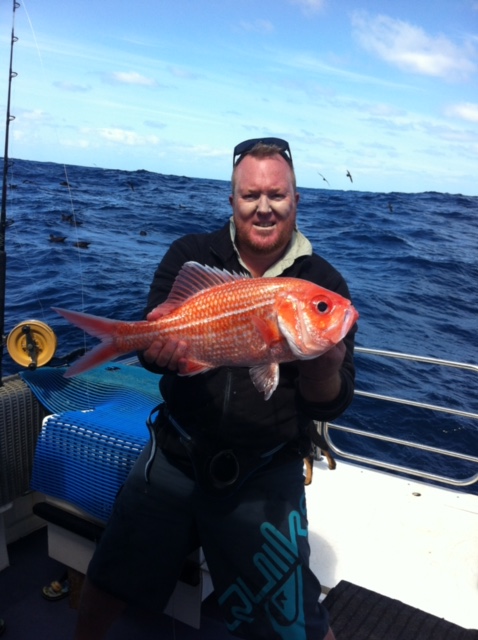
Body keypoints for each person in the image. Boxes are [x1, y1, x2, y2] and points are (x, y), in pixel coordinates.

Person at [74, 137, 357, 640]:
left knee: (295, 620)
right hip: (176, 451)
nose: (264, 207)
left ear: (296, 201)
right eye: (251, 195)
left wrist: (319, 367)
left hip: (268, 469)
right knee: (111, 575)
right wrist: (152, 345)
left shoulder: (321, 281)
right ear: (232, 201)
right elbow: (153, 348)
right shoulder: (190, 254)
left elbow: (331, 401)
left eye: (277, 195)